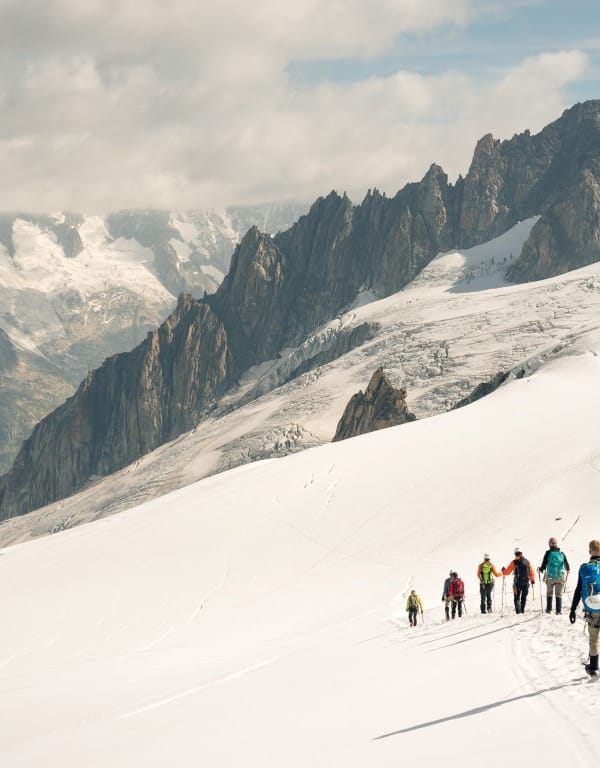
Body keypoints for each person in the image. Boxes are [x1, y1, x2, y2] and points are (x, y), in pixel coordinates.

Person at [569, 539, 600, 676]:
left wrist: (572, 609)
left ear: (590, 552)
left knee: (594, 639)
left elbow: (578, 590)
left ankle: (593, 668)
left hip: (592, 608)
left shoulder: (585, 568)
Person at [538, 537, 570, 614]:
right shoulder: (562, 554)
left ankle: (549, 609)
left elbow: (543, 565)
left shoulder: (548, 553)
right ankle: (558, 611)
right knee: (559, 594)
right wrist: (567, 570)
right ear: (556, 544)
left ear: (549, 544)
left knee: (549, 592)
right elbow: (567, 566)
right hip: (560, 577)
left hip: (550, 577)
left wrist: (540, 569)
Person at [502, 548, 535, 613]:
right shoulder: (527, 561)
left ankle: (518, 612)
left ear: (515, 554)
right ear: (521, 553)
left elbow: (507, 572)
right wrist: (532, 580)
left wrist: (503, 570)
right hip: (526, 582)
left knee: (517, 597)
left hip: (517, 582)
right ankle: (522, 611)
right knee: (524, 597)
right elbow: (531, 571)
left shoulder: (514, 562)